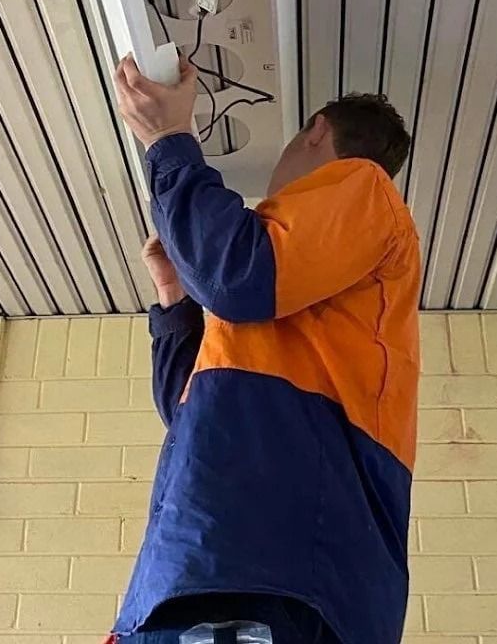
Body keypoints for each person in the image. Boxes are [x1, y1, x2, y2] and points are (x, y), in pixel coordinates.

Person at [110, 55, 421, 644]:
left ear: (317, 131)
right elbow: (187, 412)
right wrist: (174, 297)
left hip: (267, 580)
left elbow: (238, 274)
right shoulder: (294, 284)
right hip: (209, 581)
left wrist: (170, 141)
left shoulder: (366, 189)